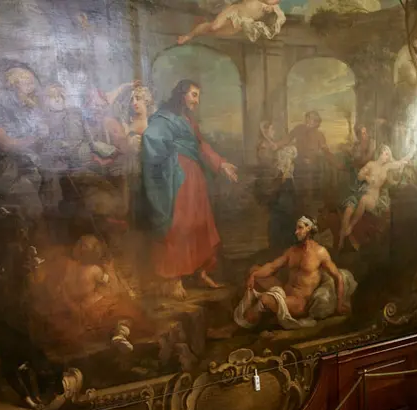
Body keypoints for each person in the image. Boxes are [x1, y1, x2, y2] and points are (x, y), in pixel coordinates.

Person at [141, 79, 239, 300]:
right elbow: (150, 139)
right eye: (194, 94)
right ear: (182, 95)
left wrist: (221, 163)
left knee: (200, 224)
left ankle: (199, 271)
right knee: (179, 226)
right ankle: (173, 278)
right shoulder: (164, 118)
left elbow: (201, 146)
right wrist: (170, 157)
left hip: (194, 178)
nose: (197, 100)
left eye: (198, 95)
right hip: (176, 177)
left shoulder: (189, 121)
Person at [233, 216, 354, 330]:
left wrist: (339, 304)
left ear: (309, 228)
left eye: (300, 228)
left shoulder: (320, 252)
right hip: (285, 291)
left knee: (265, 299)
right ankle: (255, 315)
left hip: (299, 303)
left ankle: (239, 326)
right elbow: (272, 267)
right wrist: (254, 275)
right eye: (296, 228)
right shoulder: (292, 251)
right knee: (254, 270)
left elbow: (338, 277)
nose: (296, 232)